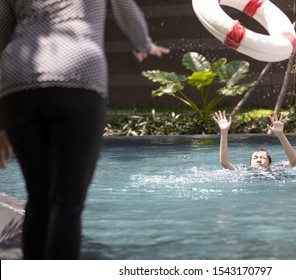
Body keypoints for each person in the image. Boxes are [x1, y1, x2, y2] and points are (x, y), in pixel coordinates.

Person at [0, 0, 169, 259]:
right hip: (78, 71)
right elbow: (126, 8)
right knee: (67, 201)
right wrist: (142, 43)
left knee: (38, 199)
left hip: (17, 79)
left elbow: (2, 32)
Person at [213, 111, 296, 171]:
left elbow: (293, 160)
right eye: (255, 158)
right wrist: (223, 132)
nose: (258, 160)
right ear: (250, 163)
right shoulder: (244, 171)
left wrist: (280, 134)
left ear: (269, 163)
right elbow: (224, 163)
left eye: (263, 158)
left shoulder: (276, 170)